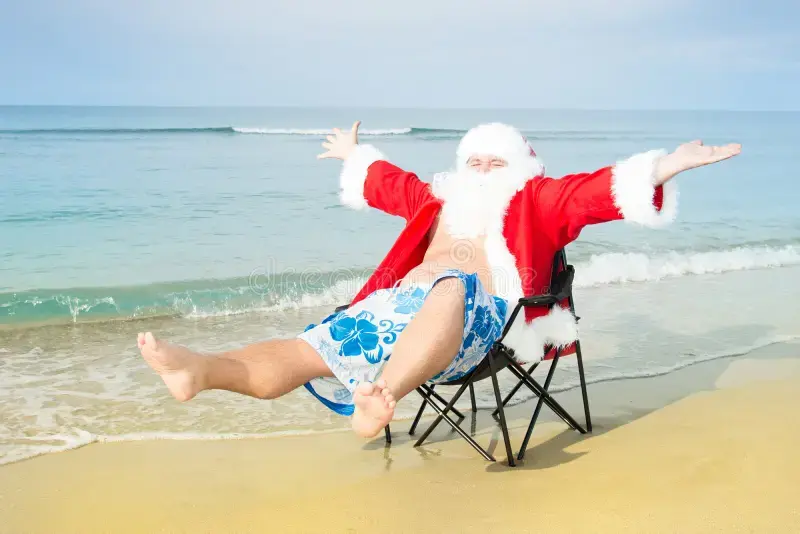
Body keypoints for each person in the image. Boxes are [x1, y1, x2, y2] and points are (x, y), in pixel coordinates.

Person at [137, 121, 740, 438]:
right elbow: (389, 182)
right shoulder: (439, 198)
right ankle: (202, 371)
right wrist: (354, 154)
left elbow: (595, 192)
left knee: (454, 285)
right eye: (473, 160)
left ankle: (382, 396)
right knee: (309, 345)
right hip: (398, 314)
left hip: (482, 329)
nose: (480, 170)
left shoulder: (537, 200)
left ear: (521, 167)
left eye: (493, 161)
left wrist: (666, 166)